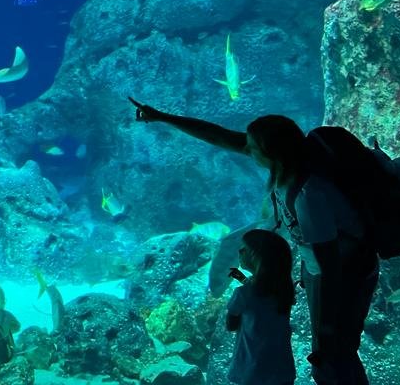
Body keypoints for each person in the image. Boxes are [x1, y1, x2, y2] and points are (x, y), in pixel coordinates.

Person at [128, 97, 378, 385]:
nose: (246, 149)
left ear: (271, 154)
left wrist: (329, 325)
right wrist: (163, 117)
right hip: (319, 272)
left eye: (252, 147)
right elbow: (220, 136)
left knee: (334, 357)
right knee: (333, 355)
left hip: (346, 274)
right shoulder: (288, 167)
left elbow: (330, 265)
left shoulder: (309, 196)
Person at [226, 229, 296, 385]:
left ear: (256, 256)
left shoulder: (242, 294)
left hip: (252, 370)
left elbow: (231, 325)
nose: (239, 251)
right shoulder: (284, 290)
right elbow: (261, 292)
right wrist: (243, 279)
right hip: (282, 370)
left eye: (244, 249)